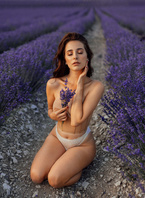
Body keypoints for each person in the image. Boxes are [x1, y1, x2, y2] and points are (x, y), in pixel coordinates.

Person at [30, 32, 104, 188]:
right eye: (70, 53)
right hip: (57, 137)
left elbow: (77, 120)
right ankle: (65, 160)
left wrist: (80, 84)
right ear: (65, 59)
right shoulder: (53, 84)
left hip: (81, 144)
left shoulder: (96, 87)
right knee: (36, 176)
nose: (75, 57)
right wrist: (54, 115)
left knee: (54, 180)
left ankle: (76, 165)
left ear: (87, 56)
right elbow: (50, 110)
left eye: (80, 52)